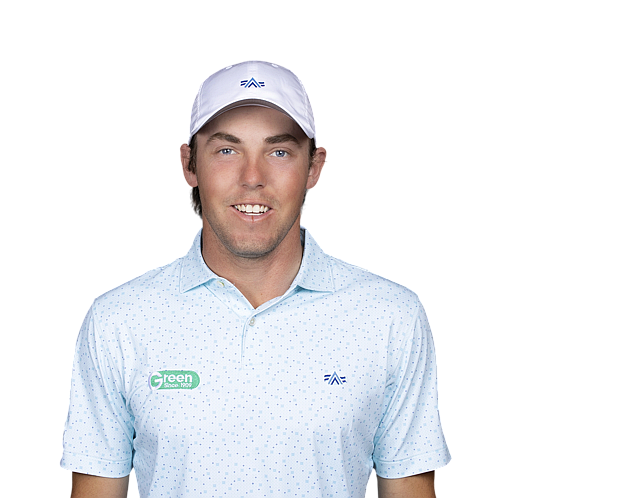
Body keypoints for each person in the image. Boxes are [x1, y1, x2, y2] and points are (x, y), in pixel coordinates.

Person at [61, 60, 451, 498]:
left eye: (278, 151)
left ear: (314, 167)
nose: (252, 178)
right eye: (227, 151)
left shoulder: (390, 315)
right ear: (189, 164)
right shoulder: (118, 318)